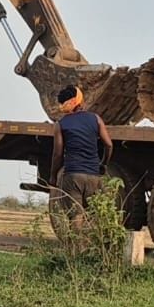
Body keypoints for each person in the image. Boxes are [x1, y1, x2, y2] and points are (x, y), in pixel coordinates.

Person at [49, 85, 112, 220]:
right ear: (79, 101)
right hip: (93, 175)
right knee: (93, 217)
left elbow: (58, 154)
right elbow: (109, 145)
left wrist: (53, 177)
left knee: (76, 217)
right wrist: (103, 164)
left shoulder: (60, 124)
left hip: (73, 176)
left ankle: (77, 235)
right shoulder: (96, 119)